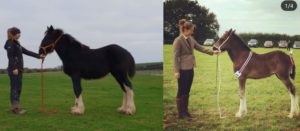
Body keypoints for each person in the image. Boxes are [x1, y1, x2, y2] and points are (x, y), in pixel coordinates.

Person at [173, 19, 219, 120]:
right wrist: (176, 71)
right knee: (182, 90)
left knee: (187, 90)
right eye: (191, 30)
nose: (192, 32)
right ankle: (181, 114)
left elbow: (200, 48)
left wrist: (212, 52)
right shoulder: (178, 41)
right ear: (185, 29)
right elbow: (175, 57)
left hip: (190, 68)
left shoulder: (191, 39)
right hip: (182, 69)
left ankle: (185, 112)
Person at [4, 27, 44, 114]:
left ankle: (15, 107)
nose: (20, 35)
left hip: (19, 69)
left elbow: (26, 51)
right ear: (14, 34)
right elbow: (10, 57)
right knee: (15, 88)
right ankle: (15, 109)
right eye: (19, 33)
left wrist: (38, 56)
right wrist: (14, 68)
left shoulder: (17, 44)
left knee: (18, 89)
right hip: (14, 70)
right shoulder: (10, 43)